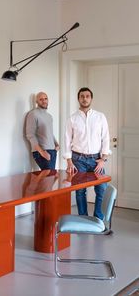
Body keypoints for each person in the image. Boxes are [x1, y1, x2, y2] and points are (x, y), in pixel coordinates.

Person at [64, 87, 110, 220]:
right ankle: (83, 218)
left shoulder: (100, 117)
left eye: (87, 96)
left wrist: (103, 159)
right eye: (82, 96)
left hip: (97, 160)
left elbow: (105, 138)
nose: (85, 98)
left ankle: (98, 218)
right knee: (80, 191)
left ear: (91, 98)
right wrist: (69, 161)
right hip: (78, 159)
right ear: (78, 99)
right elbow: (67, 140)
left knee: (101, 188)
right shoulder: (72, 118)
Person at [26, 92, 59, 170]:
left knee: (49, 179)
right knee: (49, 179)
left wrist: (56, 144)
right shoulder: (33, 114)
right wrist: (42, 152)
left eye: (45, 99)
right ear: (36, 102)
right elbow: (30, 135)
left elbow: (50, 133)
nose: (44, 101)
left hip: (52, 151)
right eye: (41, 99)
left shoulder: (49, 116)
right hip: (42, 152)